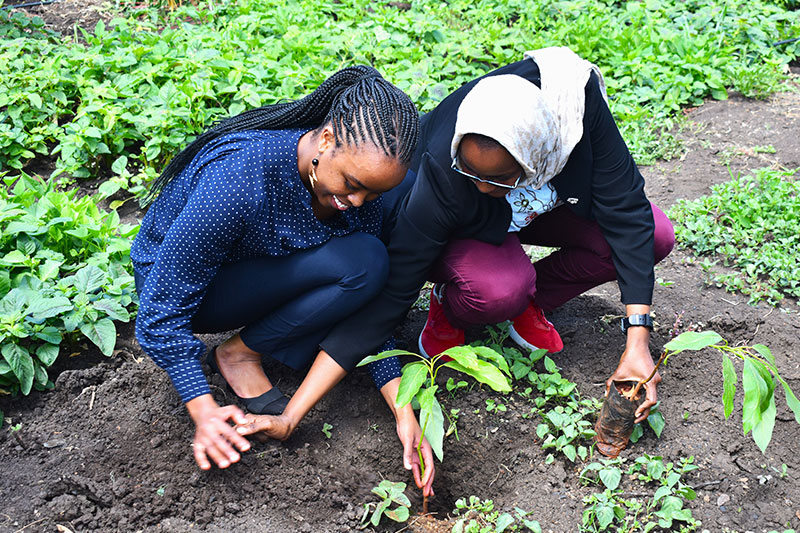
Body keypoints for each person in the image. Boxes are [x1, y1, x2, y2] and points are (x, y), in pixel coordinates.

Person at [312, 47, 675, 426]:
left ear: (537, 159)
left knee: (655, 236)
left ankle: (530, 300)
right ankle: (451, 301)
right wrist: (299, 407)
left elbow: (627, 209)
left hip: (538, 206)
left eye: (500, 178)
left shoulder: (574, 112)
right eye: (472, 172)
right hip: (465, 224)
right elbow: (399, 279)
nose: (484, 186)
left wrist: (637, 341)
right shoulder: (443, 168)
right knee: (497, 291)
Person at [131, 66, 434, 496]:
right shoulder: (239, 180)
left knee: (366, 260)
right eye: (352, 185)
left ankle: (241, 352)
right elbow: (159, 313)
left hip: (265, 273)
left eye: (372, 194)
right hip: (195, 290)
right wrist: (203, 408)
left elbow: (367, 306)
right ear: (327, 139)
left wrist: (404, 410)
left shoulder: (356, 195)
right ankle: (234, 359)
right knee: (360, 259)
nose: (357, 202)